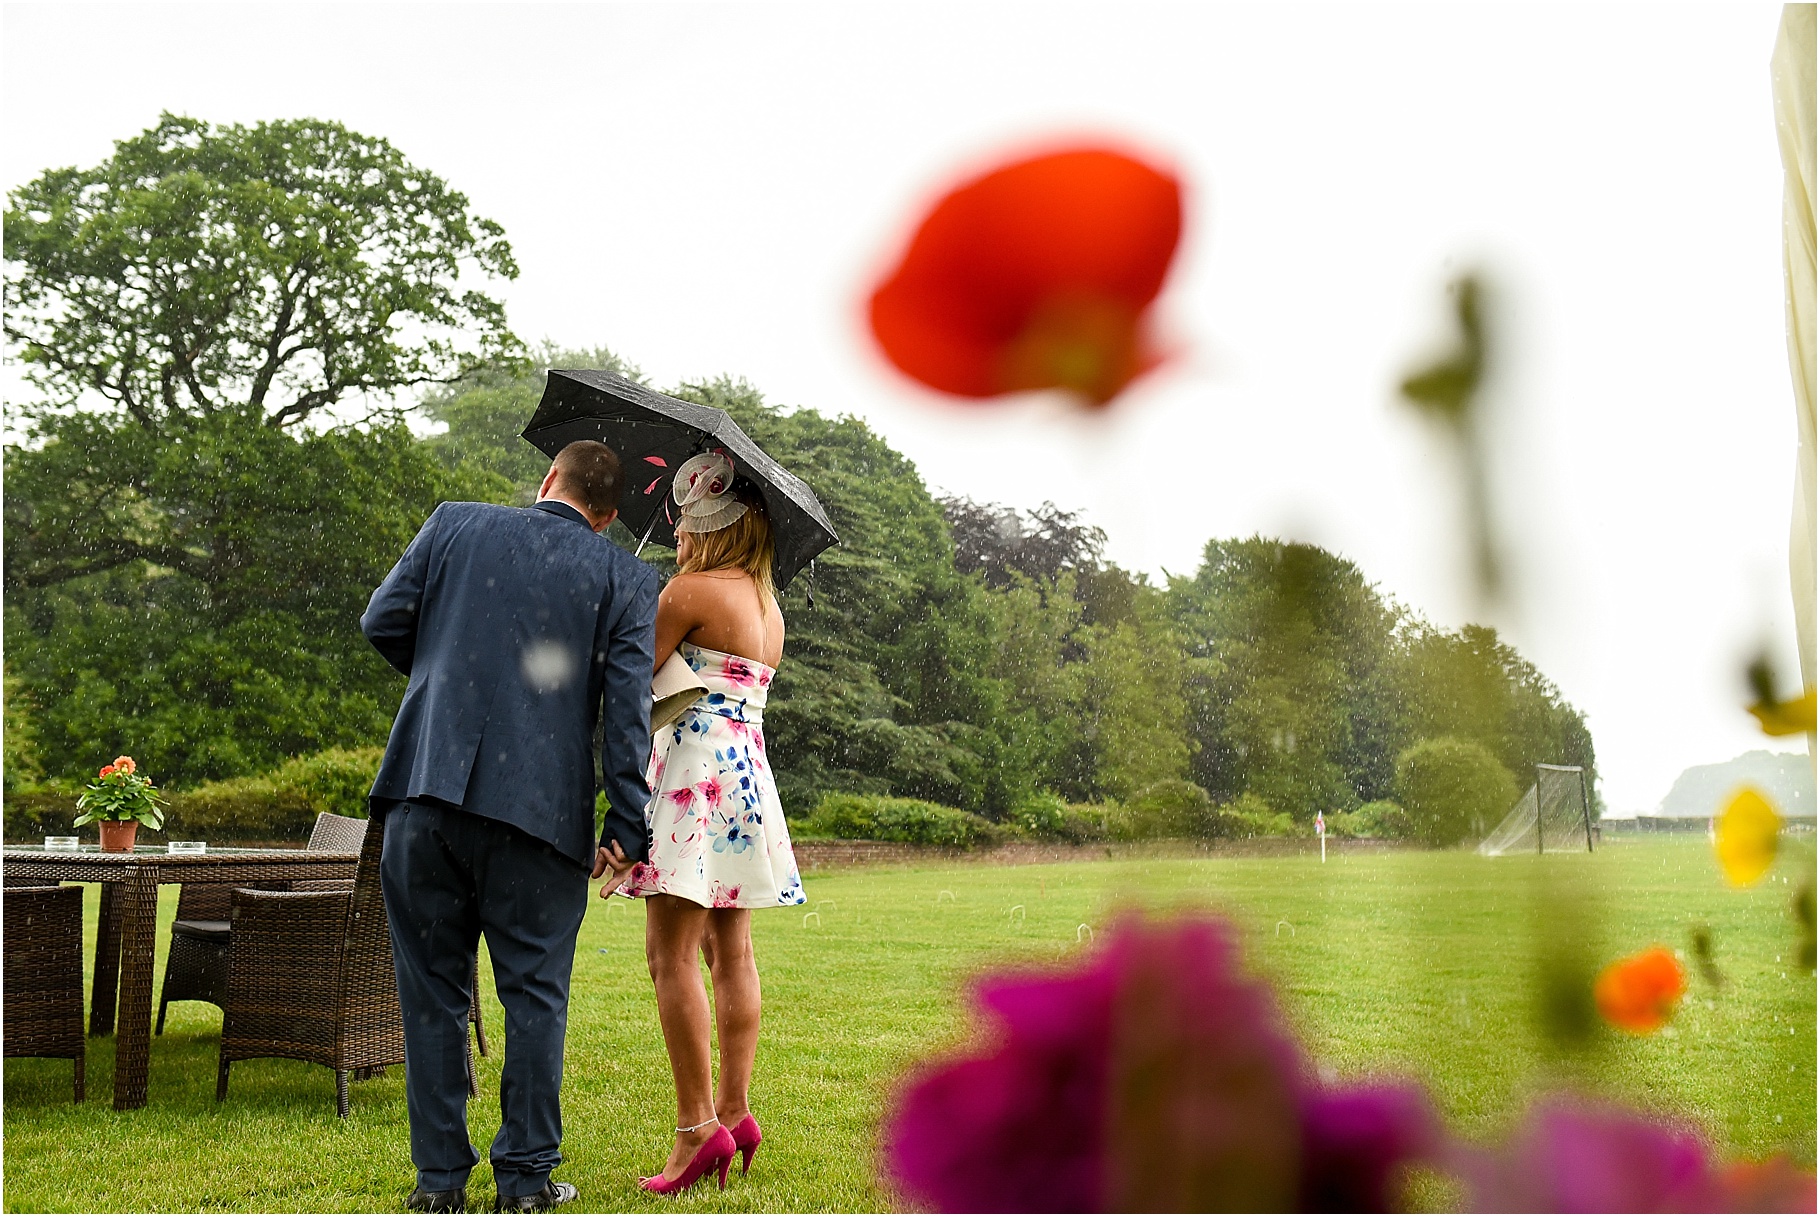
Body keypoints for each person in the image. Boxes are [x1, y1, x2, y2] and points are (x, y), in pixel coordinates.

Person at [361, 440, 657, 1214]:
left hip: (422, 799)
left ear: (547, 480)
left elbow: (381, 620)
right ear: (610, 514)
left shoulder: (454, 525)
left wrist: (447, 672)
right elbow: (627, 716)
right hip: (540, 817)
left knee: (430, 997)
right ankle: (525, 1182)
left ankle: (439, 1184)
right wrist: (628, 821)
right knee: (534, 999)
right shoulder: (625, 576)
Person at [611, 452, 806, 1195]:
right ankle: (735, 1109)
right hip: (748, 777)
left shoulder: (688, 590)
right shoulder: (767, 606)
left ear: (704, 527)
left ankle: (696, 1130)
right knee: (734, 951)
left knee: (670, 956)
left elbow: (630, 683)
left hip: (694, 775)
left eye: (685, 524)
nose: (678, 536)